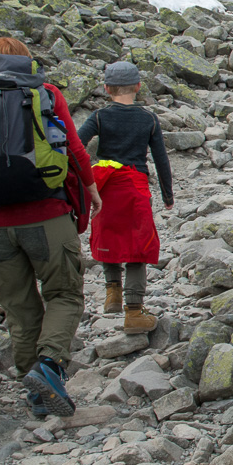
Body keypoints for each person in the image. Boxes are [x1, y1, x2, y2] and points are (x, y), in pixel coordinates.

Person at [0, 37, 100, 418]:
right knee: (64, 294)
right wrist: (90, 189)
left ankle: (35, 393)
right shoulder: (45, 93)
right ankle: (49, 367)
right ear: (27, 62)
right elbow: (73, 148)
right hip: (46, 216)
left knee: (20, 310)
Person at [77, 62, 174, 334]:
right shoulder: (148, 119)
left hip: (105, 185)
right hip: (135, 185)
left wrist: (84, 178)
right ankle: (134, 312)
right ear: (139, 87)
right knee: (137, 245)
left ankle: (112, 294)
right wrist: (168, 194)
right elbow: (161, 160)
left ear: (107, 89)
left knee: (109, 235)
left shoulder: (99, 117)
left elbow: (76, 145)